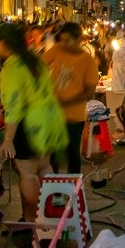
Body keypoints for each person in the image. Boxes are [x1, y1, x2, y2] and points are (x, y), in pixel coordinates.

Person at [0, 23, 68, 221]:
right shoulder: (35, 60)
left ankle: (34, 219)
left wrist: (8, 138)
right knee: (45, 167)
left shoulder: (12, 67)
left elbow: (14, 106)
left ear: (3, 43)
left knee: (27, 173)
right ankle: (54, 213)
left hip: (28, 125)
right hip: (49, 120)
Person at [43, 22, 99, 174]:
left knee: (72, 154)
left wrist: (66, 101)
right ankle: (56, 190)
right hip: (55, 115)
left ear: (78, 40)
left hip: (75, 117)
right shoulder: (58, 49)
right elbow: (39, 65)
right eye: (61, 40)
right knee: (54, 155)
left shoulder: (87, 60)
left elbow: (89, 92)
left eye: (67, 40)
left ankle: (73, 190)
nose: (63, 44)